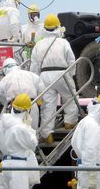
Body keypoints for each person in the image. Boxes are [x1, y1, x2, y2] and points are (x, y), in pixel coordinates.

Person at [30, 14, 79, 144]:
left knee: (48, 105)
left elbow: (34, 65)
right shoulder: (64, 43)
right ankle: (69, 122)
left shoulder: (38, 45)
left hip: (45, 76)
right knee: (70, 97)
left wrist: (35, 81)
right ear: (58, 27)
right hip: (62, 73)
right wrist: (72, 74)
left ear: (45, 28)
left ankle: (47, 135)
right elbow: (71, 60)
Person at [71, 91, 100, 189]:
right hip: (91, 171)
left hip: (86, 168)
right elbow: (90, 151)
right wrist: (92, 174)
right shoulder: (93, 126)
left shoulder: (88, 121)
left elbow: (74, 143)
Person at [0, 93, 39, 189]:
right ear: (27, 110)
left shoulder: (1, 123)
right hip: (19, 167)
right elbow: (33, 143)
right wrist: (29, 128)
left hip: (4, 164)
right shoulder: (22, 127)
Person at [0, 58, 45, 129]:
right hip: (31, 104)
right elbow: (41, 89)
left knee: (15, 131)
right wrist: (37, 100)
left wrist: (6, 103)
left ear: (4, 70)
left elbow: (0, 94)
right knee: (32, 131)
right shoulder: (31, 75)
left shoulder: (5, 79)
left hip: (14, 107)